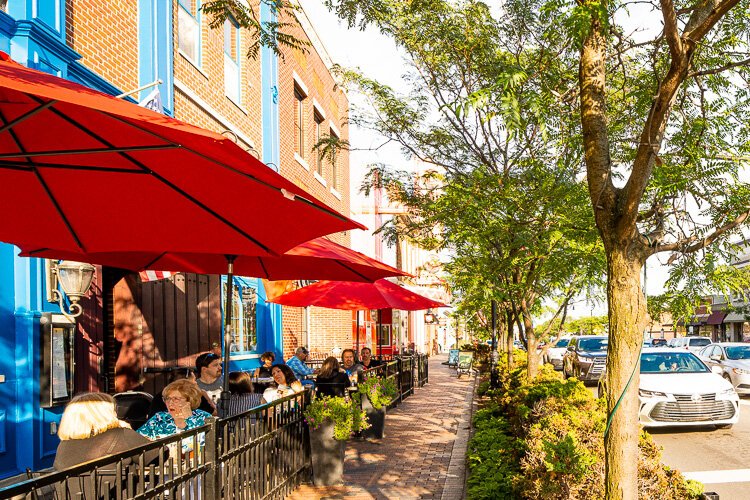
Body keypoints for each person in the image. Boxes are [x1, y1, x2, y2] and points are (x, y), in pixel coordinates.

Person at [54, 393, 160, 498]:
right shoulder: (122, 434)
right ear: (104, 414)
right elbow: (158, 456)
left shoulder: (63, 445)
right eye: (113, 409)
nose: (115, 413)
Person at [138, 379, 212, 440]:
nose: (170, 403)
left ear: (189, 401)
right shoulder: (159, 417)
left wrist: (187, 419)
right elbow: (138, 439)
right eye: (168, 399)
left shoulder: (203, 417)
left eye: (176, 399)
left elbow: (202, 445)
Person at [148, 367, 216, 418]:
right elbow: (213, 414)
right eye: (194, 380)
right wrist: (204, 395)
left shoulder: (159, 396)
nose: (196, 382)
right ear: (185, 382)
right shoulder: (195, 395)